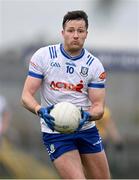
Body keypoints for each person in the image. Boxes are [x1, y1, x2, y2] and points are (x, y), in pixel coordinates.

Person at [21, 10, 111, 179]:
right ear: (63, 33)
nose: (75, 35)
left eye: (80, 31)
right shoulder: (44, 56)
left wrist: (87, 115)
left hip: (86, 130)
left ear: (86, 34)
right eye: (71, 30)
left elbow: (99, 107)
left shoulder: (95, 65)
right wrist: (40, 110)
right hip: (55, 132)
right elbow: (26, 96)